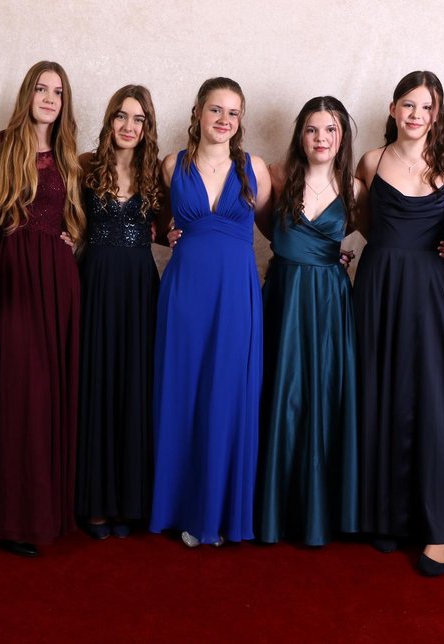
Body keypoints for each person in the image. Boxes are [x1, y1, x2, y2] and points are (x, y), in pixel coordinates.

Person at [353, 71, 444, 575]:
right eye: (408, 104)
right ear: (393, 109)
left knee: (428, 400)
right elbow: (363, 223)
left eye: (426, 107)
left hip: (426, 289)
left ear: (437, 113)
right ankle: (383, 515)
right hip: (378, 284)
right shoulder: (370, 161)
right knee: (378, 392)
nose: (416, 114)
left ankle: (435, 529)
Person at [150, 77, 271, 547]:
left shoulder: (255, 168)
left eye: (233, 112)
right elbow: (153, 221)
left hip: (236, 295)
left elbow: (277, 227)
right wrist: (165, 234)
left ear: (241, 120)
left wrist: (325, 251)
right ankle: (182, 509)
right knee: (184, 396)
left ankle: (220, 512)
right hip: (185, 295)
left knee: (228, 396)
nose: (223, 119)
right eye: (215, 109)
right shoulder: (170, 165)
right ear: (198, 111)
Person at [0, 61, 84, 557]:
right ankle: (10, 516)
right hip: (14, 274)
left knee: (49, 391)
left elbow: (79, 217)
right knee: (18, 388)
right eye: (41, 89)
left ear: (64, 102)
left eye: (57, 92)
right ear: (27, 94)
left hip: (58, 279)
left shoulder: (69, 155)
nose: (48, 98)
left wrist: (75, 238)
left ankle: (44, 511)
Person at [256, 96, 365, 546]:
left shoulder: (356, 187)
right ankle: (275, 510)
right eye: (312, 129)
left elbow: (374, 232)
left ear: (342, 137)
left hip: (330, 301)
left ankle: (321, 512)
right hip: (285, 295)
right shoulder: (277, 176)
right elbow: (267, 227)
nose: (321, 138)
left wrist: (327, 256)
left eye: (330, 130)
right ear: (300, 135)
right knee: (282, 393)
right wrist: (297, 251)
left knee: (323, 394)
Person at [75, 85, 161, 539]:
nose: (129, 126)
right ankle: (96, 504)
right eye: (122, 117)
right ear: (110, 121)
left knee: (135, 384)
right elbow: (66, 219)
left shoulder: (157, 174)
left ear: (147, 127)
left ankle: (130, 502)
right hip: (96, 281)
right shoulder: (85, 166)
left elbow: (178, 224)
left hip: (140, 286)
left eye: (139, 119)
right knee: (98, 383)